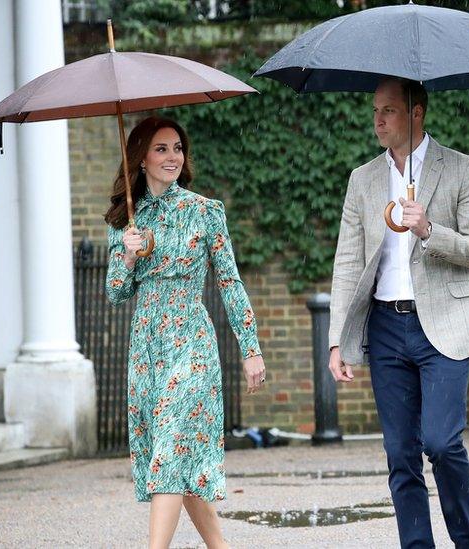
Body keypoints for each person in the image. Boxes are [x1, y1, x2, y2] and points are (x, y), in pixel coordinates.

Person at [328, 77, 469, 549]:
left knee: (441, 443)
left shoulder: (463, 169)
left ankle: (467, 543)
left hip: (444, 325)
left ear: (416, 113)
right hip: (384, 327)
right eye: (375, 111)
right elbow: (346, 261)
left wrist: (429, 229)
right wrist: (338, 338)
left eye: (388, 111)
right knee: (401, 454)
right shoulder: (362, 179)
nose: (377, 120)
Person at [104, 116, 266, 549]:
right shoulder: (125, 221)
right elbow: (116, 293)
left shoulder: (204, 211)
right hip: (146, 351)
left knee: (172, 449)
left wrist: (251, 350)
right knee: (179, 461)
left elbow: (230, 282)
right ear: (140, 158)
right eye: (161, 149)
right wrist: (128, 256)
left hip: (191, 344)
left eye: (177, 148)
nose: (172, 156)